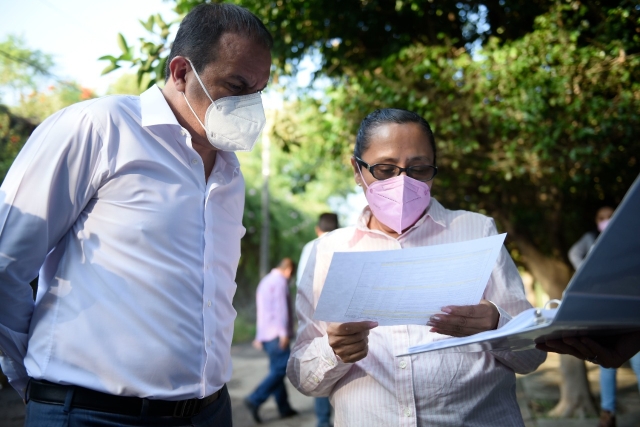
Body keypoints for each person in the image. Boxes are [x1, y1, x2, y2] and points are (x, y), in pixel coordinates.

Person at [0, 4, 272, 426]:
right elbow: (5, 264)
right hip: (92, 415)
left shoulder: (229, 171)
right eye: (235, 85)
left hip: (209, 412)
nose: (246, 106)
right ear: (181, 72)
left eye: (257, 92)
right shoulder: (99, 127)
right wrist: (38, 385)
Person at [286, 108, 547, 426]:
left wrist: (497, 325)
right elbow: (302, 378)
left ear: (434, 170)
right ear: (357, 170)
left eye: (419, 169)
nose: (402, 182)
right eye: (384, 169)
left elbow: (532, 354)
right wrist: (333, 350)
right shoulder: (329, 251)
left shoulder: (477, 232)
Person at [564, 206, 640, 427]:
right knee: (607, 361)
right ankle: (608, 412)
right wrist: (587, 273)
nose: (606, 221)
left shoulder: (628, 238)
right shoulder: (592, 239)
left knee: (636, 358)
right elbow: (574, 253)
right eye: (602, 218)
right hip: (604, 309)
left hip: (629, 308)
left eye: (610, 217)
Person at [297, 213, 340, 427]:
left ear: (317, 228)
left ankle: (323, 422)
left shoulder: (310, 247)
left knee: (322, 366)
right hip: (341, 316)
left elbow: (301, 289)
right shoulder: (345, 242)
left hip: (316, 319)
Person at [244, 258, 298, 423]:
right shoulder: (280, 282)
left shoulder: (265, 281)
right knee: (281, 369)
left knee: (277, 370)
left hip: (267, 335)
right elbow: (281, 309)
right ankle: (255, 399)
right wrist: (284, 334)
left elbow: (262, 311)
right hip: (276, 335)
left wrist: (259, 336)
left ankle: (284, 408)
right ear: (288, 270)